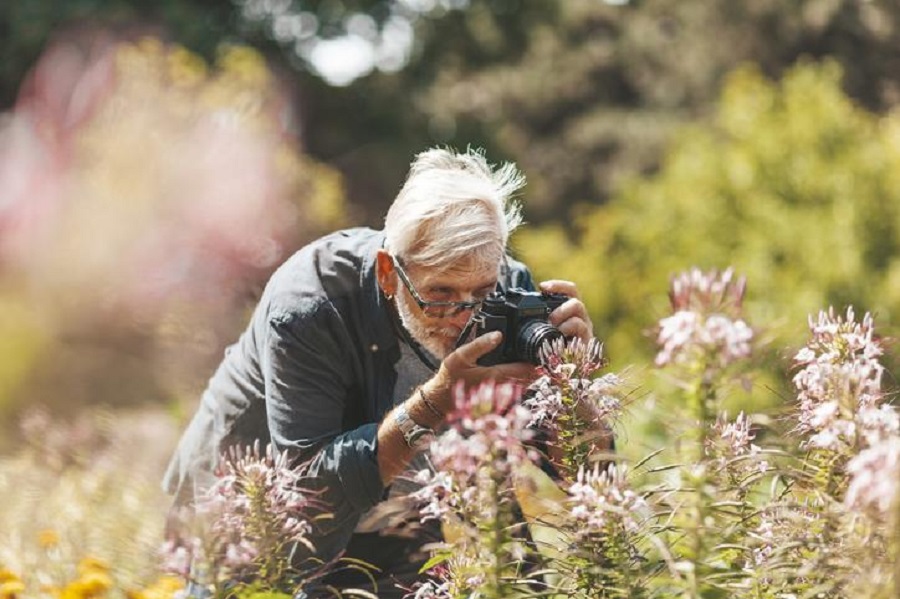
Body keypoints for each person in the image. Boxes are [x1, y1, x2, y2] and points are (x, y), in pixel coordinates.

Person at [162, 147, 599, 597]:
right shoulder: (311, 305)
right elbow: (312, 489)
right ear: (389, 273)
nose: (463, 316)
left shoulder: (509, 293)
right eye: (440, 293)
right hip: (256, 508)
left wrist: (571, 386)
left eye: (482, 292)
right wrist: (436, 402)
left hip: (403, 513)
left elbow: (585, 473)